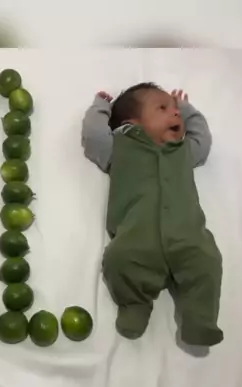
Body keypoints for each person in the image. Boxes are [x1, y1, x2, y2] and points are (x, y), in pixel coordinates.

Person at [81, 83, 224, 347]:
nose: (175, 113)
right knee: (118, 260)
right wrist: (101, 107)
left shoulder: (183, 150)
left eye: (175, 110)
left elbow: (203, 140)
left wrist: (187, 109)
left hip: (188, 237)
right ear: (132, 123)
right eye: (163, 108)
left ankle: (200, 318)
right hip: (137, 238)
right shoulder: (120, 149)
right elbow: (93, 137)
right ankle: (135, 304)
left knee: (208, 263)